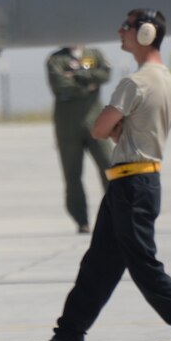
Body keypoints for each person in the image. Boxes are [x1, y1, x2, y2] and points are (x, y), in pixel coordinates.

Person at [30, 9, 171, 341]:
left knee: (143, 264)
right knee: (98, 265)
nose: (119, 31)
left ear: (145, 34)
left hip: (132, 183)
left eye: (126, 27)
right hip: (134, 180)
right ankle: (69, 335)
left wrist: (116, 125)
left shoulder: (137, 82)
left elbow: (100, 129)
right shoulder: (166, 78)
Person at [46, 46, 114, 231]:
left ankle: (116, 212)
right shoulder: (55, 59)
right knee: (72, 175)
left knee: (109, 166)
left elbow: (105, 73)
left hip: (94, 123)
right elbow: (59, 84)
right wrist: (88, 86)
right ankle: (81, 220)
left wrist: (77, 76)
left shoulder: (95, 54)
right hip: (68, 127)